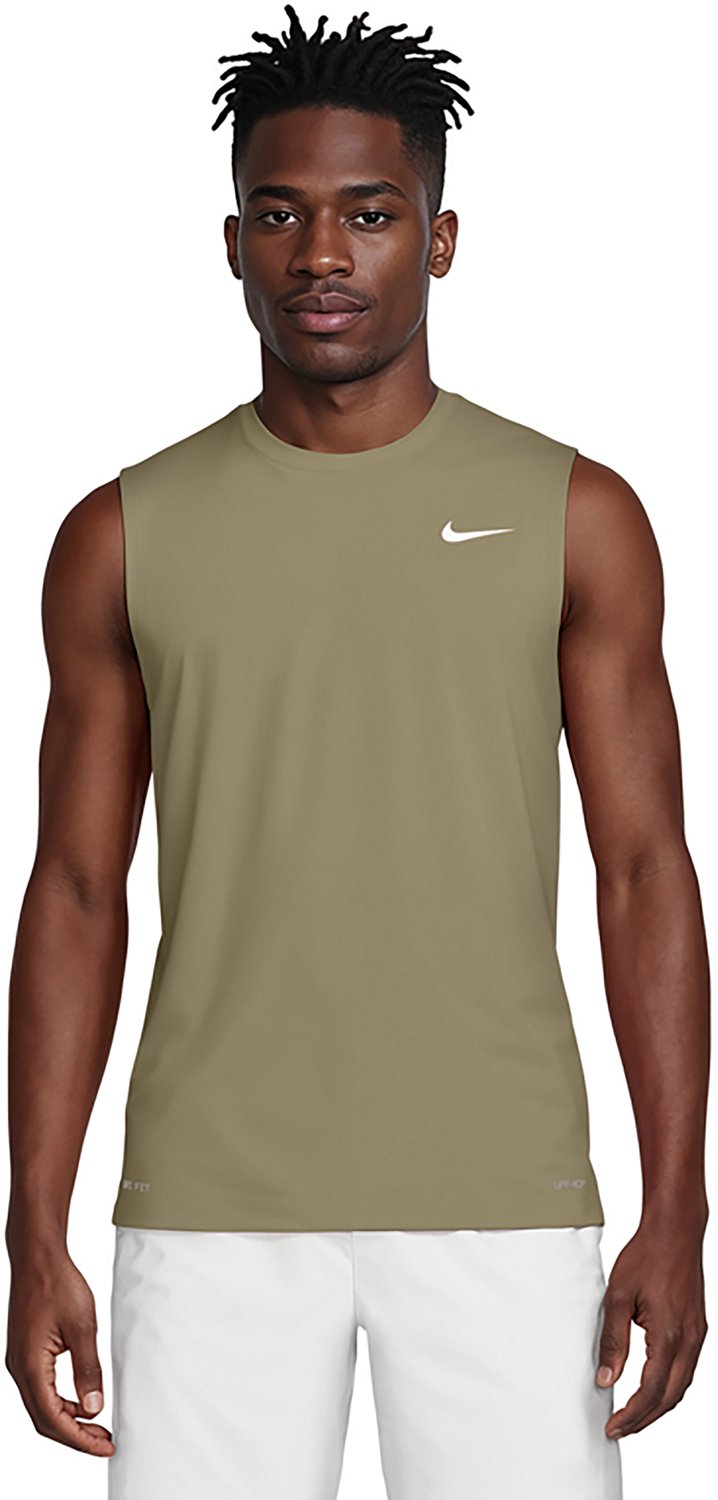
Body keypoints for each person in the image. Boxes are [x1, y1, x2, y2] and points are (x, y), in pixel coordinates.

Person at [4, 6, 710, 1497]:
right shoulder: (121, 534)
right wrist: (32, 1225)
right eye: (281, 215)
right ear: (232, 244)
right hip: (207, 1210)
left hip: (505, 1202)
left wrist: (676, 1208)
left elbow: (645, 870)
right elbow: (73, 888)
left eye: (370, 214)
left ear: (439, 240)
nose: (321, 253)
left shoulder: (575, 514)